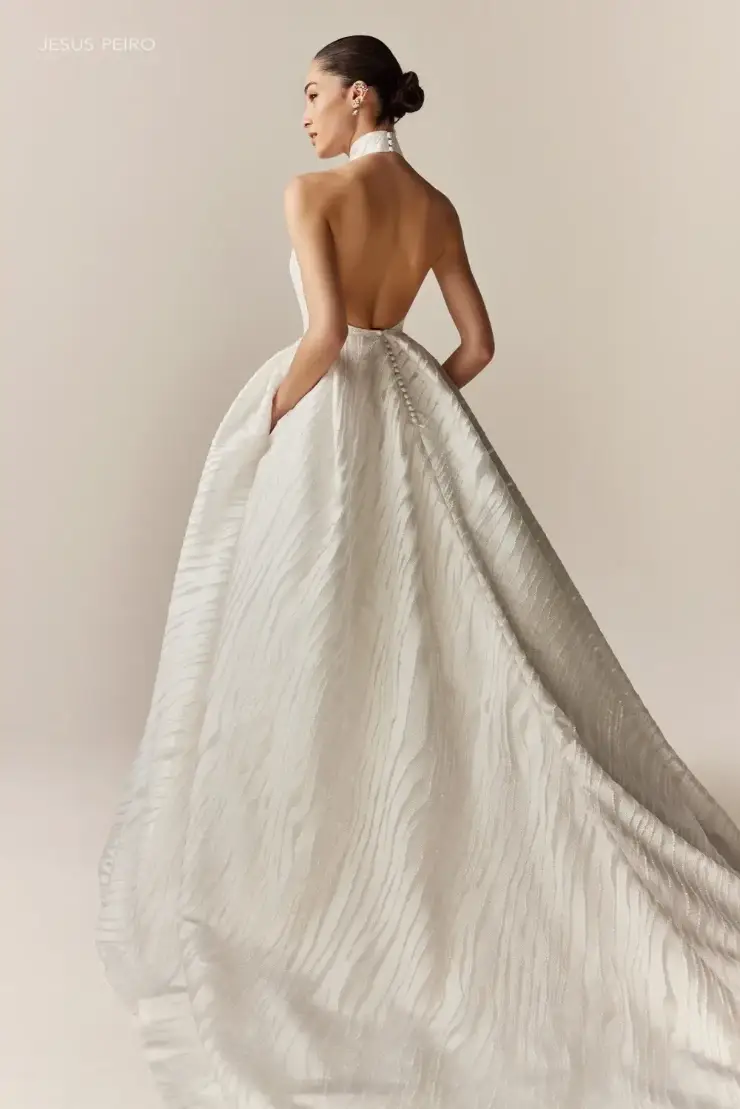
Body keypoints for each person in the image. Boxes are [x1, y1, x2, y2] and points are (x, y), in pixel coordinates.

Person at [96, 32, 740, 1109]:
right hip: (413, 407)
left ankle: (322, 854)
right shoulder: (436, 205)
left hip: (330, 417)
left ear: (357, 97)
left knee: (315, 622)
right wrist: (417, 403)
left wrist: (259, 427)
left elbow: (324, 334)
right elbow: (476, 346)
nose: (300, 115)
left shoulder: (309, 195)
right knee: (443, 625)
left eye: (309, 94)